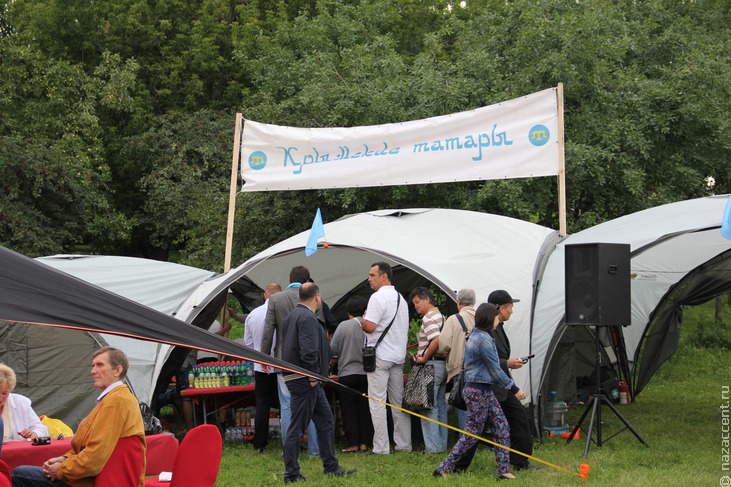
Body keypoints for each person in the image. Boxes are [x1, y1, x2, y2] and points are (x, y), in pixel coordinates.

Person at [12, 346, 146, 487]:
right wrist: (63, 458)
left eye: (100, 365)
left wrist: (60, 470)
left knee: (19, 473)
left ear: (117, 370)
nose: (93, 371)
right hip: (97, 477)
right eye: (93, 366)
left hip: (98, 481)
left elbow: (94, 458)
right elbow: (89, 448)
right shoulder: (114, 399)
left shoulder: (115, 401)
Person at [433, 303, 526, 481]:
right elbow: (495, 370)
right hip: (477, 392)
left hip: (484, 390)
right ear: (489, 318)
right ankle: (444, 467)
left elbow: (493, 366)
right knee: (472, 434)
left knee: (501, 426)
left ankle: (503, 470)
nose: (499, 320)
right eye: (497, 317)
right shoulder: (482, 340)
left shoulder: (483, 335)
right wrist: (514, 388)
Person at [452, 289, 536, 472]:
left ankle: (519, 461)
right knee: (476, 430)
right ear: (499, 309)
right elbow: (491, 362)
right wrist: (509, 366)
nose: (512, 311)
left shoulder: (496, 328)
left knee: (518, 420)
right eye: (509, 307)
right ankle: (457, 466)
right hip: (488, 387)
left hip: (499, 386)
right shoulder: (485, 332)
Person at [280, 283, 357, 483]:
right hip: (306, 378)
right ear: (317, 297)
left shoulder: (292, 315)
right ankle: (291, 473)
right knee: (297, 427)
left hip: (302, 377)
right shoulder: (306, 317)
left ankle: (331, 466)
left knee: (326, 420)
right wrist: (313, 375)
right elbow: (308, 348)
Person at [260, 266, 320, 456]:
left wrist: (264, 357)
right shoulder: (313, 298)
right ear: (307, 281)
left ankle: (289, 451)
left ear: (289, 278)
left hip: (282, 360)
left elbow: (268, 331)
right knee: (309, 404)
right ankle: (314, 450)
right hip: (308, 361)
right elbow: (320, 331)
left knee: (286, 406)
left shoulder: (276, 299)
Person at [361, 262, 411, 455]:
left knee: (377, 402)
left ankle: (381, 448)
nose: (369, 278)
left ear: (384, 276)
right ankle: (404, 445)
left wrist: (362, 321)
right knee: (398, 404)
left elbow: (370, 327)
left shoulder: (377, 298)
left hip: (379, 357)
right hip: (398, 357)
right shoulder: (401, 299)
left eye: (372, 275)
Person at [239, 281, 282, 453]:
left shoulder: (253, 315)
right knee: (284, 404)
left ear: (265, 295)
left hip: (259, 366)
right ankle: (289, 439)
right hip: (280, 364)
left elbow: (248, 343)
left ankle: (260, 443)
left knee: (262, 405)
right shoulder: (283, 312)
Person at [329, 296, 373, 453]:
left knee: (349, 410)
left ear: (349, 313)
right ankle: (365, 443)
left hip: (347, 374)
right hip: (367, 373)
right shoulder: (370, 324)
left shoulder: (343, 326)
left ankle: (353, 443)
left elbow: (332, 350)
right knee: (365, 409)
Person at [408, 286, 448, 453]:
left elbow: (436, 340)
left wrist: (423, 358)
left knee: (427, 407)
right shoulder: (441, 317)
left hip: (430, 365)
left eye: (417, 302)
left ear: (426, 300)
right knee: (439, 406)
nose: (416, 306)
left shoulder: (429, 318)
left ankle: (433, 448)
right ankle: (441, 445)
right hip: (441, 365)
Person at [437, 288, 476, 431]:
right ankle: (479, 440)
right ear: (474, 302)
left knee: (463, 407)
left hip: (460, 370)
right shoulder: (482, 317)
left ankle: (466, 443)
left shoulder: (453, 320)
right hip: (480, 370)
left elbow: (443, 346)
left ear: (458, 302)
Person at [0, 364, 48, 442]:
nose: (0, 398)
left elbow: (41, 429)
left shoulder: (21, 402)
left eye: (4, 393)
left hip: (19, 452)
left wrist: (34, 434)